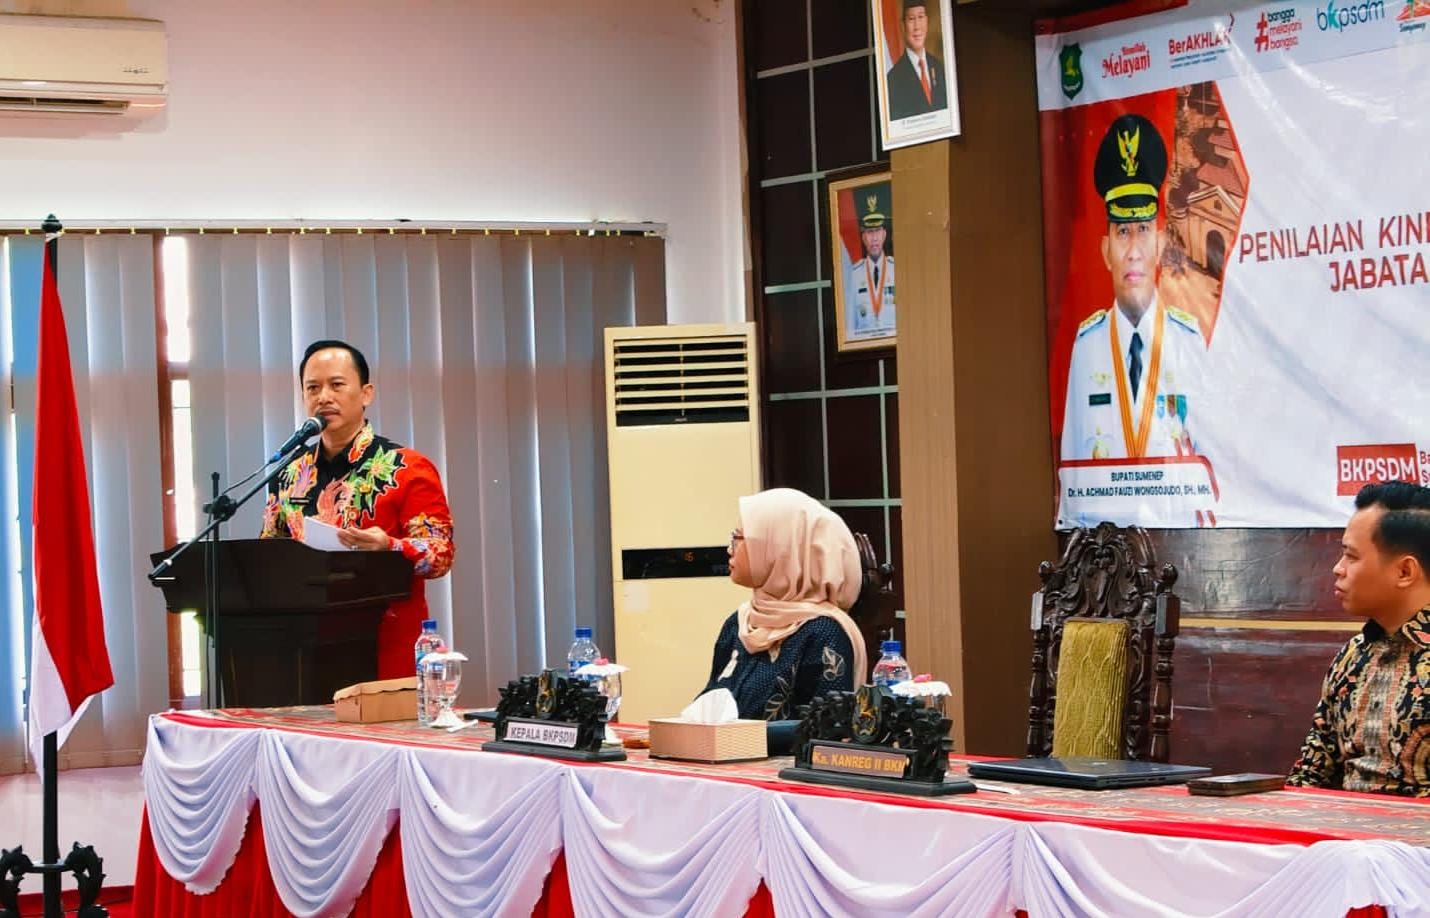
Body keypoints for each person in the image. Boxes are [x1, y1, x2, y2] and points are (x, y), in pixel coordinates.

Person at [261, 339, 455, 680]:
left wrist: (391, 546)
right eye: (313, 388)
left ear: (366, 393)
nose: (324, 397)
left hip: (385, 648)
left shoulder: (408, 468)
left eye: (336, 385)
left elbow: (440, 555)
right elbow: (269, 553)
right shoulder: (289, 473)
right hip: (304, 652)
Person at [1060, 114, 1210, 465]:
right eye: (1122, 232)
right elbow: (1072, 466)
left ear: (1160, 245)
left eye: (1142, 230)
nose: (1133, 251)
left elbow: (1209, 458)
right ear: (1105, 251)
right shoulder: (1086, 347)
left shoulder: (1187, 341)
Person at [1286, 481, 1430, 796]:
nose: (1337, 569)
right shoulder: (1353, 656)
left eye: (1351, 556)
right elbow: (1312, 772)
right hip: (1343, 824)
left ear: (1405, 572)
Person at [701, 488, 868, 721]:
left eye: (738, 538)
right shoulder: (739, 622)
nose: (729, 549)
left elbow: (824, 726)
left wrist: (740, 736)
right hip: (720, 745)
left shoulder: (823, 632)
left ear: (780, 549)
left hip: (771, 748)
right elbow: (708, 704)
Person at [845, 189, 896, 341]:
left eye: (877, 230)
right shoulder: (853, 275)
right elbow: (850, 326)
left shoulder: (897, 269)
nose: (874, 238)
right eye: (869, 231)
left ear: (884, 234)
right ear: (863, 237)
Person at [886, 0, 949, 121]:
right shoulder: (893, 79)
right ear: (903, 26)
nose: (917, 27)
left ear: (927, 21)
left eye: (920, 17)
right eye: (911, 19)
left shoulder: (939, 68)